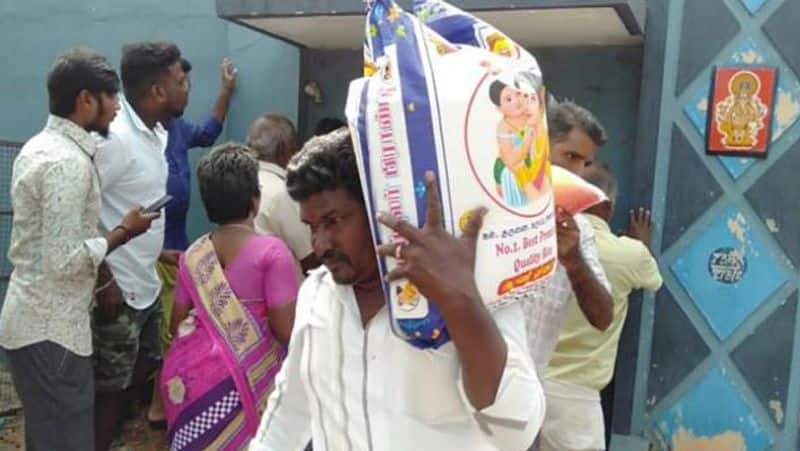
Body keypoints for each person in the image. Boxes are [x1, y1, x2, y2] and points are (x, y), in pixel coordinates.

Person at [249, 128, 545, 451]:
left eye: (333, 221)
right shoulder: (316, 295)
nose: (319, 246)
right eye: (311, 227)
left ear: (380, 208)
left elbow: (517, 430)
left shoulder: (469, 291)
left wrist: (460, 302)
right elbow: (289, 411)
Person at [0, 48, 158, 451]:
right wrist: (123, 231)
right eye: (112, 98)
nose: (117, 110)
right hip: (52, 333)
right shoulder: (67, 163)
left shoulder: (41, 146)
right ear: (86, 100)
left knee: (47, 438)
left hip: (34, 323)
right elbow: (65, 259)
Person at [160, 143, 298, 450]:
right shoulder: (273, 252)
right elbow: (285, 330)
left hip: (192, 386)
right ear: (255, 200)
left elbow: (177, 324)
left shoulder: (193, 255)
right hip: (245, 385)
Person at [92, 41, 189, 451]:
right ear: (157, 91)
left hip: (145, 282)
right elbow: (82, 209)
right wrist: (103, 278)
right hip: (117, 290)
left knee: (141, 375)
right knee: (108, 393)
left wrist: (156, 252)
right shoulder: (114, 138)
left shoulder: (156, 134)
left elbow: (131, 204)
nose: (187, 88)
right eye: (181, 81)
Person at [540, 163, 662, 451]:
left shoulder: (542, 240)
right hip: (576, 399)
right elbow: (654, 281)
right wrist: (640, 246)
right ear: (606, 207)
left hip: (527, 384)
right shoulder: (630, 254)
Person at [150, 55, 238, 426]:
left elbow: (209, 132)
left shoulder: (178, 130)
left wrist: (227, 91)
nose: (186, 90)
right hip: (153, 253)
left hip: (177, 249)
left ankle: (163, 402)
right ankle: (158, 405)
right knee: (164, 332)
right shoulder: (144, 138)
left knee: (175, 329)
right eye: (181, 84)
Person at [526, 102, 614, 451]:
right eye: (570, 156)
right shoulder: (491, 209)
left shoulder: (580, 230)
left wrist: (575, 262)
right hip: (462, 398)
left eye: (585, 163)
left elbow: (602, 316)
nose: (578, 172)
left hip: (525, 404)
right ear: (538, 147)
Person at [246, 114, 319, 276]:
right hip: (284, 296)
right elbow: (310, 259)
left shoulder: (243, 181)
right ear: (288, 148)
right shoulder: (283, 192)